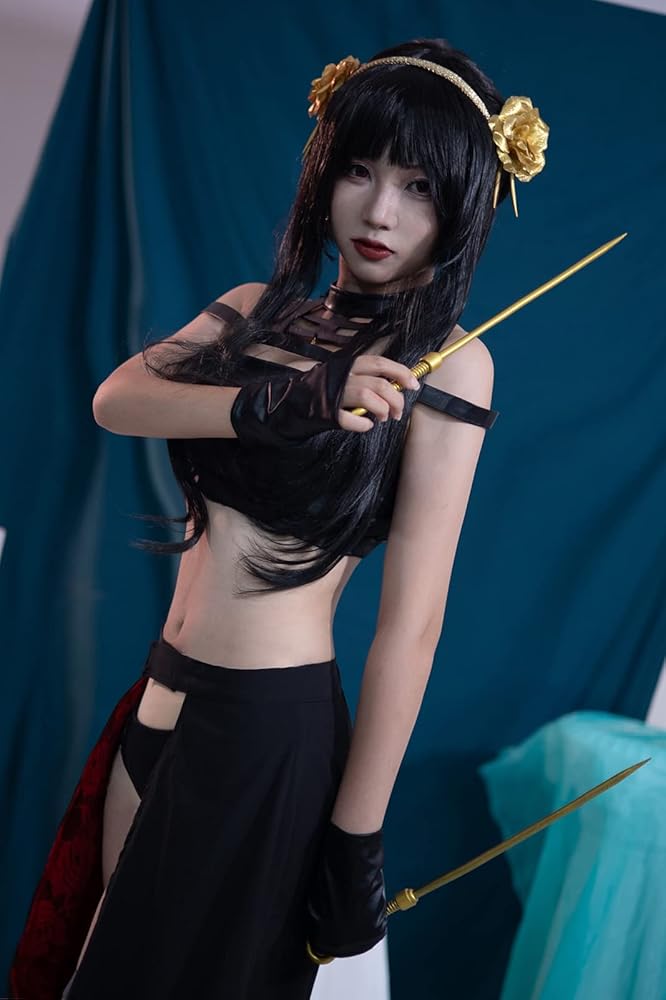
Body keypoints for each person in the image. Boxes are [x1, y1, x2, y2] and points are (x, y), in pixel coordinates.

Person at [9, 35, 547, 1000]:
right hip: (158, 697)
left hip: (264, 729)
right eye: (359, 169)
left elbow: (413, 627)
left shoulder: (454, 367)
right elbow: (117, 400)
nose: (379, 211)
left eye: (420, 187)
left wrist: (355, 841)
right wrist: (281, 399)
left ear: (463, 207)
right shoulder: (254, 311)